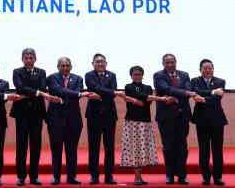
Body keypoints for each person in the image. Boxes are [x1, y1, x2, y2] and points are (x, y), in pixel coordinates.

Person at [10, 48, 61, 186]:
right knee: (21, 145)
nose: (28, 60)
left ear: (35, 59)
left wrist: (36, 92)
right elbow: (19, 87)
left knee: (35, 145)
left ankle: (34, 176)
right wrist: (38, 92)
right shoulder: (17, 72)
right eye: (26, 58)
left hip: (37, 113)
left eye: (31, 57)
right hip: (21, 113)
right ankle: (21, 176)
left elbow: (43, 88)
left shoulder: (42, 72)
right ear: (22, 59)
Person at [47, 57, 100, 185]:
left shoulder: (78, 78)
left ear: (71, 66)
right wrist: (78, 94)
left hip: (73, 120)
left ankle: (71, 177)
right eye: (62, 66)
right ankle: (56, 177)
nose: (65, 68)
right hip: (55, 120)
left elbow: (73, 92)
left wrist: (76, 94)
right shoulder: (52, 78)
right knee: (56, 150)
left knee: (72, 150)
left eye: (67, 65)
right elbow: (58, 90)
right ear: (58, 67)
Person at [153, 54, 205, 185]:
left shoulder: (184, 74)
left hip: (183, 116)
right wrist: (184, 93)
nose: (170, 64)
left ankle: (182, 175)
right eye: (167, 62)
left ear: (176, 62)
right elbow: (164, 88)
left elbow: (188, 89)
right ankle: (170, 175)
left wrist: (178, 95)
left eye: (172, 62)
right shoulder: (158, 75)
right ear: (163, 63)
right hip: (166, 116)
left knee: (182, 146)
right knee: (168, 146)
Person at [119, 65, 168, 185]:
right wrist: (159, 99)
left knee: (142, 149)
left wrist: (134, 100)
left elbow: (145, 102)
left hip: (145, 122)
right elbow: (141, 97)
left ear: (142, 75)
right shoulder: (128, 86)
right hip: (132, 122)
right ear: (131, 75)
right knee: (134, 149)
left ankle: (140, 176)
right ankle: (137, 177)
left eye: (139, 74)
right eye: (135, 74)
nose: (137, 76)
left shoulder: (148, 87)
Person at [84, 53, 124, 185]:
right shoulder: (89, 75)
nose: (100, 64)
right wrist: (110, 93)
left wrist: (103, 95)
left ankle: (109, 176)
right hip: (93, 115)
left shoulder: (112, 75)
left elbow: (112, 91)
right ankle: (94, 176)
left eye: (102, 62)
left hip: (109, 115)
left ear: (106, 64)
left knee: (109, 147)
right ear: (93, 64)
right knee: (93, 146)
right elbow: (94, 88)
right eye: (97, 62)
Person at [191, 59, 227, 186]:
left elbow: (216, 100)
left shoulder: (220, 81)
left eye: (210, 67)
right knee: (204, 150)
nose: (208, 70)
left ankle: (218, 177)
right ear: (200, 69)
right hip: (201, 120)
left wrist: (203, 99)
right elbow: (195, 93)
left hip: (217, 120)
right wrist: (212, 92)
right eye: (205, 68)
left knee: (217, 150)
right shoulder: (194, 81)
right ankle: (206, 177)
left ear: (213, 69)